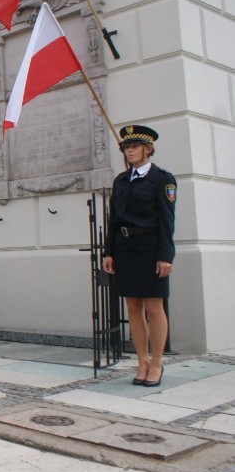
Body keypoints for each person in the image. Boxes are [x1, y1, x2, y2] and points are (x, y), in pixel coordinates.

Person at [103, 125, 176, 388]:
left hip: (150, 247)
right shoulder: (121, 180)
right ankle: (142, 361)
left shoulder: (162, 179)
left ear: (148, 149)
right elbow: (113, 220)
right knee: (133, 306)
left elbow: (168, 221)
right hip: (125, 248)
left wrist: (165, 256)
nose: (129, 150)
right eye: (125, 147)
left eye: (134, 146)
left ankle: (157, 362)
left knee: (154, 306)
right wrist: (109, 251)